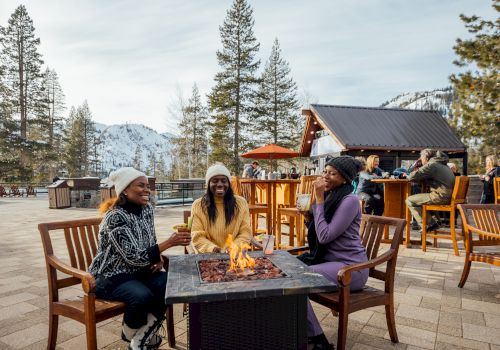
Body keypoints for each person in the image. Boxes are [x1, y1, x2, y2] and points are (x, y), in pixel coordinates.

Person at [89, 167, 191, 350]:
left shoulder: (147, 210)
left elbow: (150, 241)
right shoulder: (114, 217)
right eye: (141, 185)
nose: (147, 190)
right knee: (142, 296)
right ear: (125, 190)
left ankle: (139, 339)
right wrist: (169, 243)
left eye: (148, 186)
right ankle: (133, 335)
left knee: (171, 283)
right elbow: (133, 257)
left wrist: (158, 258)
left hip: (138, 271)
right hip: (110, 276)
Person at [299, 156, 367, 350]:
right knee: (287, 272)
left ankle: (318, 340)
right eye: (325, 172)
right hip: (331, 264)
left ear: (345, 178)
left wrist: (318, 199)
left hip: (351, 269)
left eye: (332, 173)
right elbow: (321, 231)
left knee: (297, 280)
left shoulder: (350, 200)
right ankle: (299, 329)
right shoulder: (333, 196)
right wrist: (308, 217)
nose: (326, 177)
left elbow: (325, 236)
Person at [191, 163, 253, 253]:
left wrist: (233, 247)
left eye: (224, 181)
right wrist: (214, 249)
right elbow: (197, 236)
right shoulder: (198, 205)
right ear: (208, 184)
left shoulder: (241, 203)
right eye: (215, 181)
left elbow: (245, 233)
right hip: (208, 256)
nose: (220, 184)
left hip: (234, 255)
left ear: (229, 183)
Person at [404, 149, 455, 232]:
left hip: (441, 197)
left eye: (421, 158)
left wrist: (415, 167)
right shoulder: (444, 165)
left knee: (410, 200)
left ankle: (429, 224)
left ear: (426, 158)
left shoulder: (432, 165)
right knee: (423, 198)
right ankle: (436, 222)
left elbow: (411, 177)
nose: (421, 160)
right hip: (450, 197)